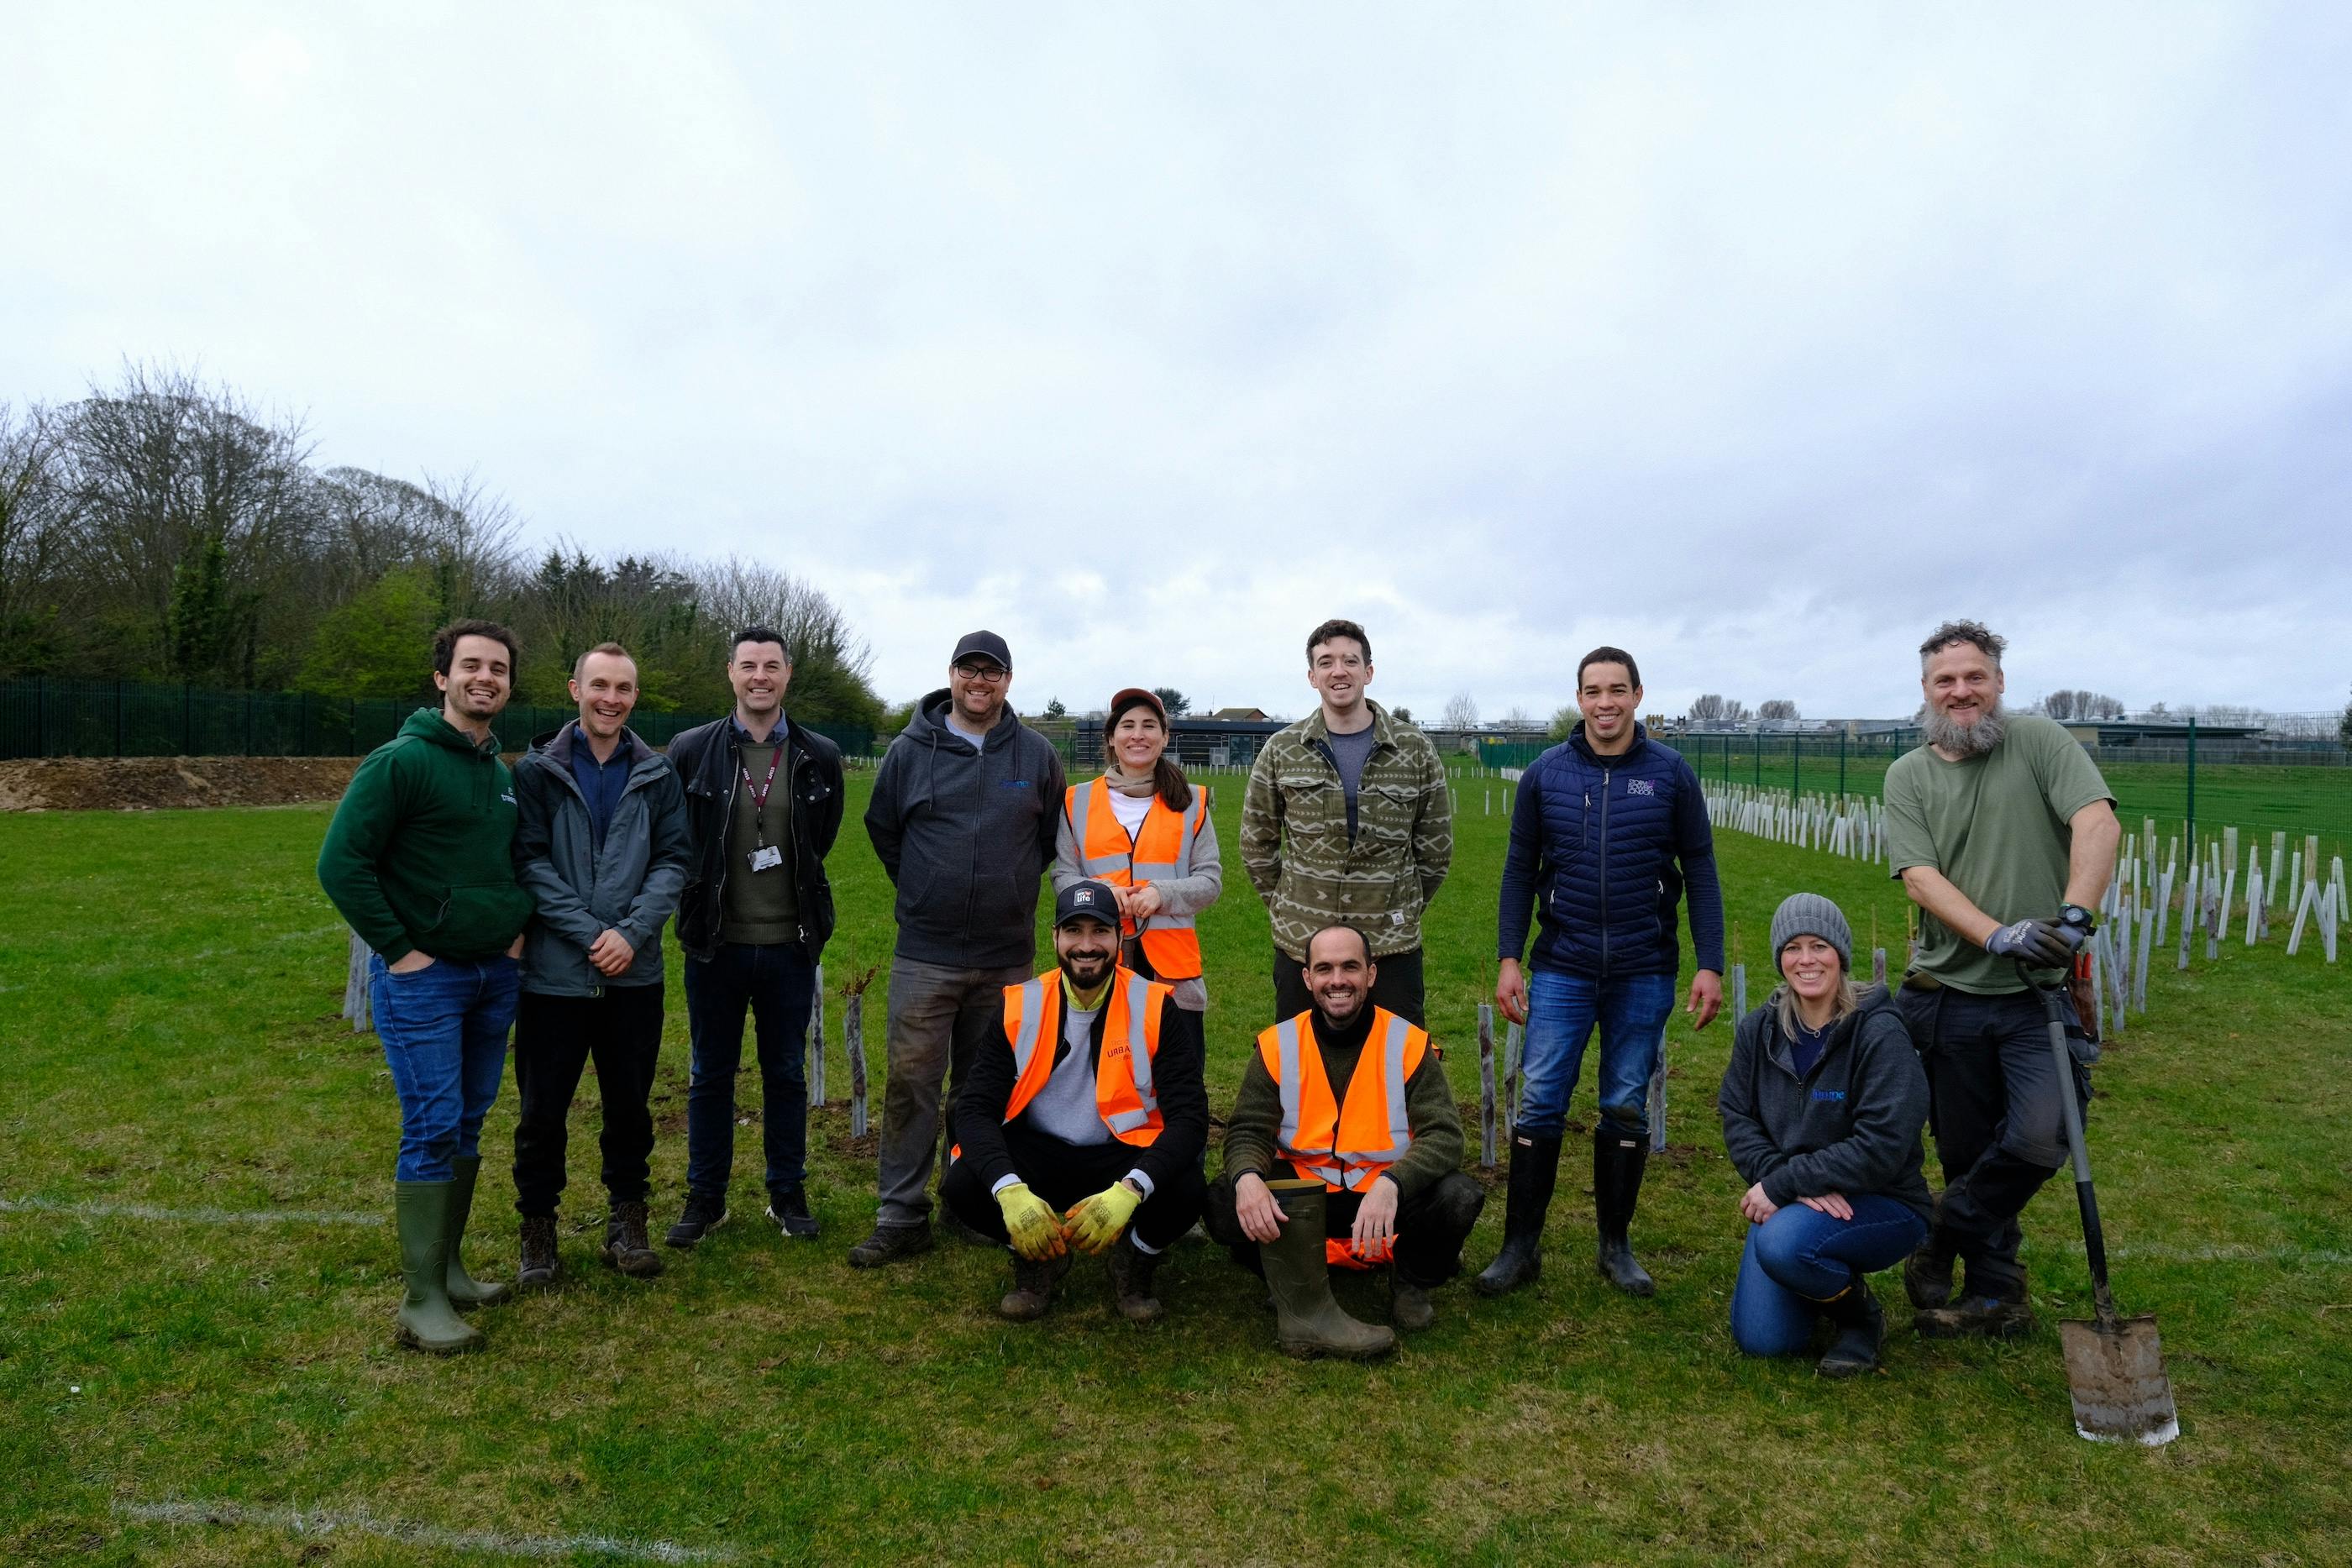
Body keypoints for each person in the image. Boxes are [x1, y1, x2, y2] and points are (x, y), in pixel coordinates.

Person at [1885, 619, 2118, 1337]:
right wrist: (1996, 933)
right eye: (1945, 681)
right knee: (1962, 1149)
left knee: (2037, 1138)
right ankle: (1996, 1294)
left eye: (1974, 676)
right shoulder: (1907, 776)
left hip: (2035, 994)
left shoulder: (2041, 743)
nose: (1962, 691)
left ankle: (1941, 1235)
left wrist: (2074, 916)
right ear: (1925, 692)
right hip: (1946, 995)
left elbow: (2097, 821)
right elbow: (1920, 879)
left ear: (1999, 682)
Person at [1481, 646, 1725, 1300]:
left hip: (1645, 968)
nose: (1605, 702)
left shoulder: (1671, 774)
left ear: (1638, 695)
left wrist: (1711, 963)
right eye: (1593, 691)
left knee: (1624, 1103)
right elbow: (1517, 869)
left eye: (1618, 689)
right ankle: (1519, 1248)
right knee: (1539, 1102)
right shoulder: (1544, 776)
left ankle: (1616, 1246)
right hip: (1562, 964)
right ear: (1580, 698)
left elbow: (1700, 869)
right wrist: (1510, 956)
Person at [317, 620, 533, 1355]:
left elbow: (507, 867)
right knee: (434, 1124)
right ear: (441, 678)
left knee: (469, 1123)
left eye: (498, 669)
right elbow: (341, 864)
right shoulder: (399, 762)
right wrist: (402, 953)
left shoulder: (500, 775)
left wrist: (511, 935)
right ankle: (420, 1299)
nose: (486, 678)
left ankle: (450, 1267)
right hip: (425, 983)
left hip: (490, 977)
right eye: (471, 666)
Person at [855, 630, 1067, 1266]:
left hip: (1006, 956)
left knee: (985, 1088)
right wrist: (924, 892)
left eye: (993, 672)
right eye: (970, 670)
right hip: (926, 953)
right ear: (951, 674)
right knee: (912, 1084)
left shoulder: (1034, 754)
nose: (981, 682)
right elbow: (883, 828)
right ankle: (900, 1213)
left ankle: (970, 1200)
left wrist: (1007, 893)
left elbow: (1054, 838)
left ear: (1008, 679)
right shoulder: (908, 750)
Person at [1207, 926, 1486, 1358]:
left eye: (1350, 967)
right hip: (1305, 1199)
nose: (1338, 980)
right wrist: (1246, 1177)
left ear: (1371, 975)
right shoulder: (1278, 1044)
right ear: (1307, 980)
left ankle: (1410, 1282)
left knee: (1459, 1196)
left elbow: (1445, 1135)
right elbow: (1247, 1129)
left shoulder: (1408, 1043)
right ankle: (1291, 1278)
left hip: (1383, 1199)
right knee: (1225, 1199)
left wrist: (1394, 1183)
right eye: (1325, 969)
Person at [942, 879, 1210, 1323]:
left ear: (1121, 938)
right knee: (964, 1184)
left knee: (1188, 1188)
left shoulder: (1156, 1006)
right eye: (1074, 931)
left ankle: (1135, 1257)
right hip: (1040, 1154)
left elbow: (1190, 1117)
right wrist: (1010, 1191)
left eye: (1100, 932)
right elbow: (974, 1109)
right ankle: (1038, 1256)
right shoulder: (1019, 1005)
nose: (1087, 946)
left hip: (1121, 1153)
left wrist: (1132, 1189)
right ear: (1055, 939)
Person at [508, 642, 690, 1287]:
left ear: (635, 697)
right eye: (599, 685)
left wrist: (632, 933)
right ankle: (538, 1231)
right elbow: (529, 861)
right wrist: (593, 933)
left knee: (630, 1110)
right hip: (554, 977)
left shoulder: (657, 775)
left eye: (623, 688)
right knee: (541, 1113)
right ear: (574, 689)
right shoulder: (537, 772)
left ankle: (627, 1222)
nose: (610, 697)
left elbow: (674, 862)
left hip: (633, 977)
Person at [662, 627, 846, 1248]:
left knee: (786, 1073)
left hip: (790, 945)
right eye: (749, 666)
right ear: (731, 674)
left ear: (788, 674)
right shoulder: (691, 749)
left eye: (771, 665)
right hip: (716, 942)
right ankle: (705, 1196)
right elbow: (677, 836)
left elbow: (821, 838)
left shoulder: (818, 753)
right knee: (710, 1074)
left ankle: (786, 1192)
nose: (760, 676)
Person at [1719, 894, 1932, 1377]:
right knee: (1764, 1341)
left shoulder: (1878, 1032)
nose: (1807, 960)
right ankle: (1816, 1277)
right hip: (1796, 1200)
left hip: (1882, 1200)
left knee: (1782, 1245)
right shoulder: (1760, 1030)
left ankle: (1860, 1320)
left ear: (1840, 954)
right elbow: (1736, 1114)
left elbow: (1881, 1146)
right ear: (1780, 958)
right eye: (1793, 948)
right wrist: (1786, 1181)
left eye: (1820, 946)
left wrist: (1782, 1187)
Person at [1241, 617, 1451, 1025]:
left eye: (1350, 661)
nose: (1339, 671)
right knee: (1302, 1068)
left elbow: (1436, 848)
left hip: (1390, 946)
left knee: (1397, 1069)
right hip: (1303, 943)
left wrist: (1399, 904)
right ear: (1312, 676)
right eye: (1326, 662)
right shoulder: (1282, 750)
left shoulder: (1415, 749)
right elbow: (1256, 844)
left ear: (1368, 672)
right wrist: (1291, 904)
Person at [1053, 687, 1221, 1013]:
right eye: (1128, 726)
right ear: (1112, 738)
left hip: (1173, 975)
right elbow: (1062, 876)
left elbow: (1210, 882)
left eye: (1149, 725)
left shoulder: (1192, 802)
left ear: (1165, 737)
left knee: (1173, 1063)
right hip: (1097, 967)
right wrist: (1101, 891)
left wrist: (1161, 894)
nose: (1138, 735)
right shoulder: (1077, 801)